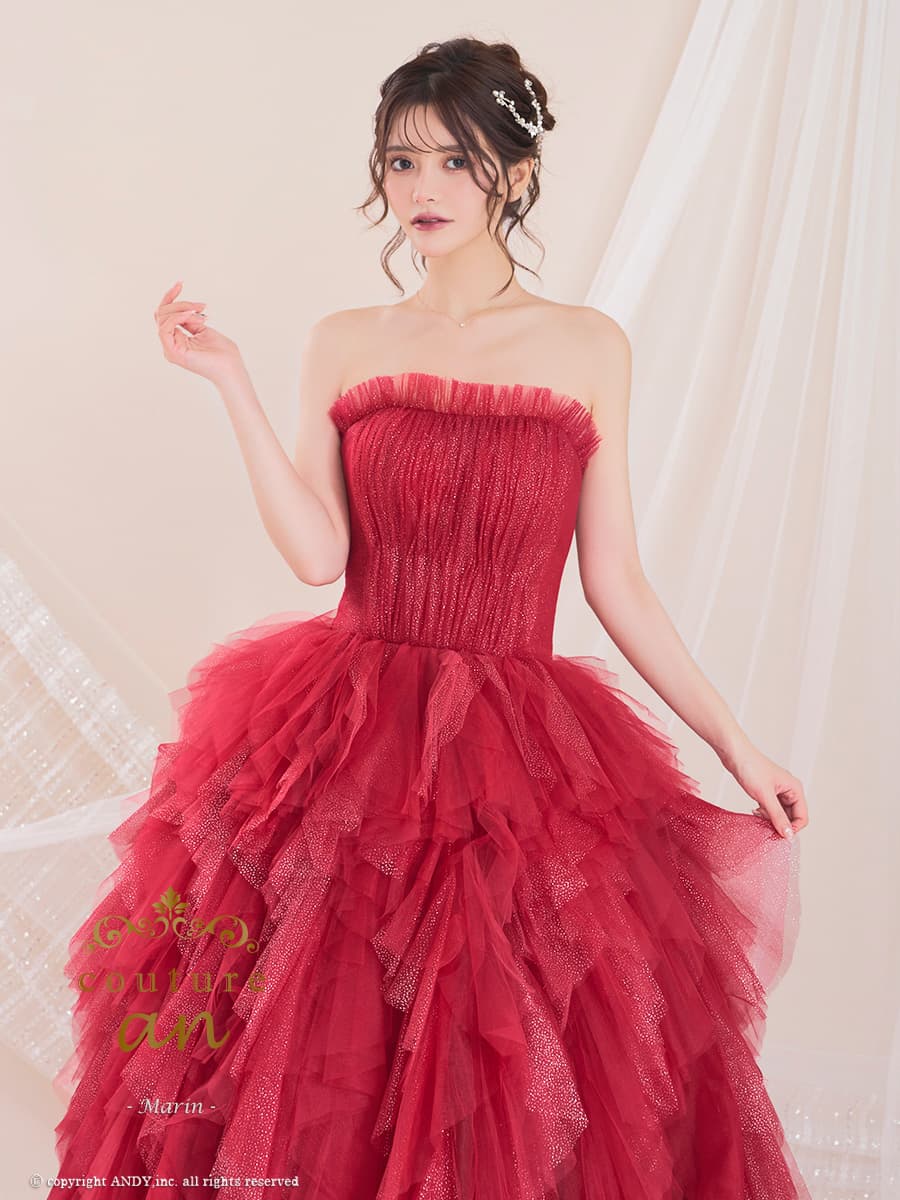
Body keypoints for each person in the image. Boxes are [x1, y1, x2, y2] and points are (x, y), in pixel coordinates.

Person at [50, 35, 811, 1200]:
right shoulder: (348, 340)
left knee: (508, 1054)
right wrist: (232, 383)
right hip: (346, 745)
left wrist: (737, 745)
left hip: (521, 760)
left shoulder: (587, 347)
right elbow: (319, 556)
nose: (424, 187)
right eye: (402, 162)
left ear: (516, 171)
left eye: (456, 160)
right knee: (320, 1046)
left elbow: (615, 580)